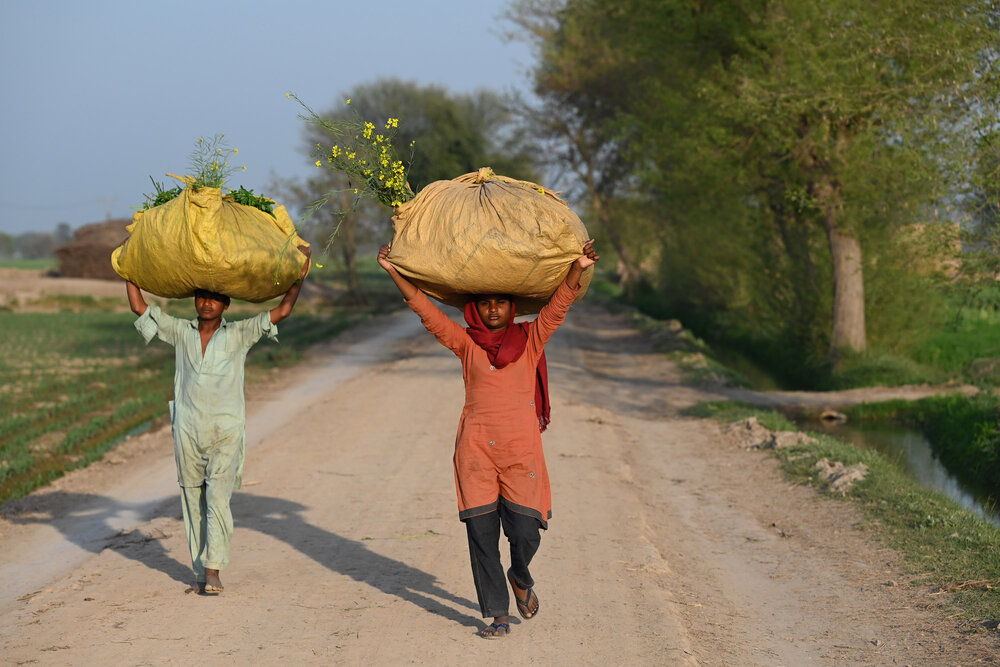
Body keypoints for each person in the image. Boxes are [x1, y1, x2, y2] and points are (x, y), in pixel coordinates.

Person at [377, 240, 599, 639]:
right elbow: (426, 312)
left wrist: (577, 269)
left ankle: (520, 574)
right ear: (473, 309)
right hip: (475, 453)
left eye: (500, 302)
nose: (493, 309)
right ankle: (497, 615)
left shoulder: (531, 341)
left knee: (526, 533)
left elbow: (558, 308)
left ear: (511, 307)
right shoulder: (465, 344)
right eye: (485, 303)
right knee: (482, 538)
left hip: (521, 453)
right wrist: (394, 271)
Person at [125, 245, 311, 595]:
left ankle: (214, 570)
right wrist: (127, 269)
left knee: (218, 500)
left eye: (214, 299)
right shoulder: (179, 332)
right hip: (188, 430)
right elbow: (139, 307)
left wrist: (299, 278)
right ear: (195, 301)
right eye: (201, 297)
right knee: (192, 500)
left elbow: (283, 311)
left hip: (226, 430)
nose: (206, 303)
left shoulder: (240, 334)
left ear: (225, 305)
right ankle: (199, 570)